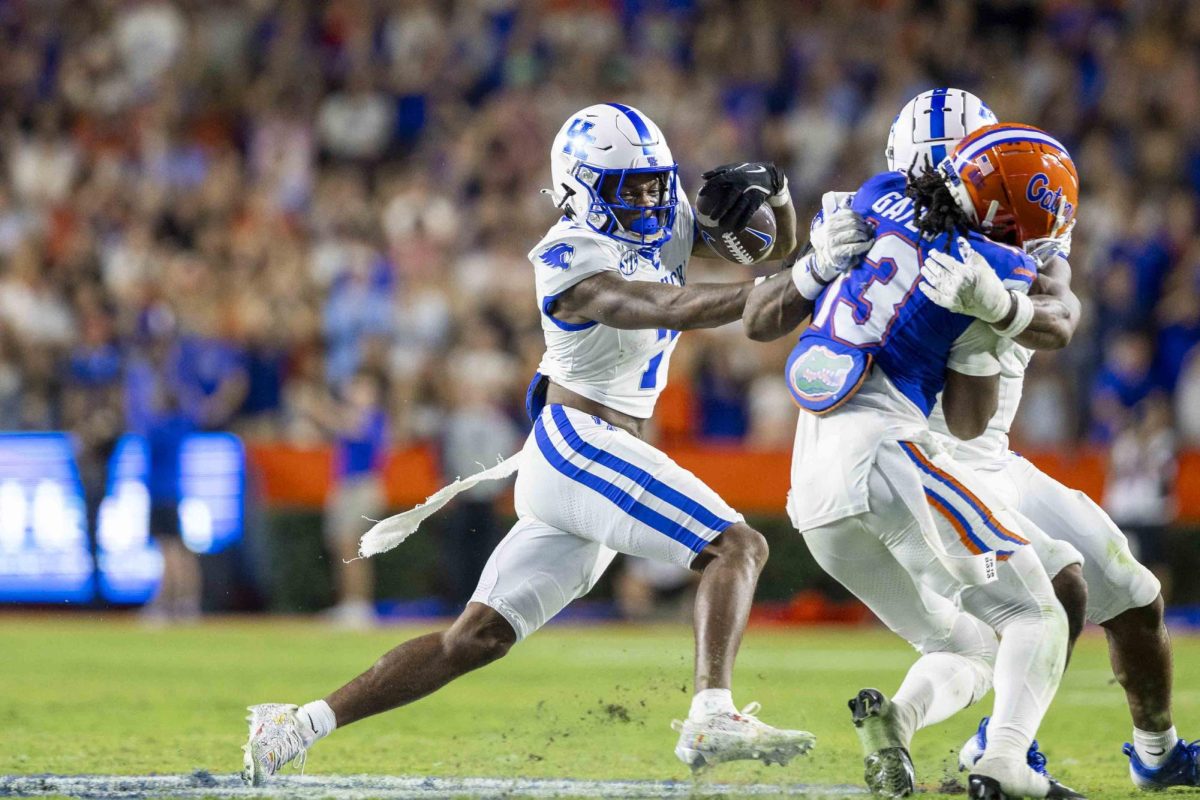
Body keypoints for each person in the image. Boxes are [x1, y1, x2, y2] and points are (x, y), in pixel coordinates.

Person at [241, 103, 872, 783]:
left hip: (589, 455)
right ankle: (711, 711)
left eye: (656, 183)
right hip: (582, 445)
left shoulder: (663, 216)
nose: (651, 201)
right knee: (738, 546)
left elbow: (767, 250)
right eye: (629, 189)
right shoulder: (565, 256)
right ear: (577, 190)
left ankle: (297, 724)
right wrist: (810, 274)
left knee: (473, 638)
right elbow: (670, 306)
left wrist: (774, 193)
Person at [744, 121, 1088, 800]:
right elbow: (966, 422)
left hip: (812, 493)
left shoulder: (872, 196)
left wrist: (815, 262)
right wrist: (993, 321)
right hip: (884, 461)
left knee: (971, 644)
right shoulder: (997, 267)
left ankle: (896, 723)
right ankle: (1007, 763)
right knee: (1036, 613)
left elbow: (767, 315)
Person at [894, 90, 1198, 792]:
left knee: (1137, 595)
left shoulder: (1018, 233)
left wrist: (1004, 299)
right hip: (936, 461)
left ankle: (1158, 754)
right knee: (1056, 591)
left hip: (996, 459)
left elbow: (1060, 313)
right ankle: (995, 747)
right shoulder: (897, 252)